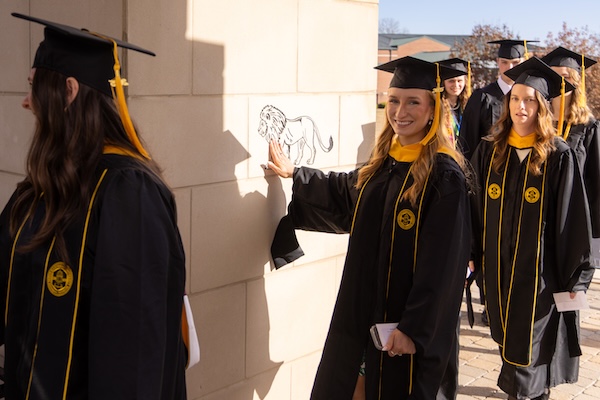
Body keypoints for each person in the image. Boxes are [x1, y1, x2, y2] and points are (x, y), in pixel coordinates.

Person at [0, 13, 188, 399]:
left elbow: (133, 357)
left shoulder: (128, 193)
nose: (26, 101)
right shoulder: (38, 189)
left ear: (68, 91)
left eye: (35, 87)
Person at [268, 56, 472, 399]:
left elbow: (444, 268)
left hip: (403, 324)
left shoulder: (444, 177)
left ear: (433, 109)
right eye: (393, 100)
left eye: (413, 102)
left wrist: (413, 328)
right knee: (353, 386)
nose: (400, 111)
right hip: (363, 310)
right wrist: (296, 175)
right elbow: (346, 194)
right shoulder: (383, 163)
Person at [469, 56, 594, 400]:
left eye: (529, 100)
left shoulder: (558, 155)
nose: (520, 106)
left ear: (542, 106)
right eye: (515, 98)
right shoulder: (490, 151)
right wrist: (469, 253)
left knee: (525, 361)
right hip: (497, 273)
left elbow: (571, 221)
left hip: (540, 277)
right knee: (511, 344)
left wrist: (577, 277)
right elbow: (474, 207)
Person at [460, 39, 532, 326]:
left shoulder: (529, 95)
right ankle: (490, 302)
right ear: (498, 64)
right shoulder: (482, 97)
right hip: (487, 181)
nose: (510, 68)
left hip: (522, 183)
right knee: (487, 240)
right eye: (505, 63)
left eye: (515, 63)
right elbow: (467, 142)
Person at [542, 46, 600, 239]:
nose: (559, 83)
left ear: (576, 82)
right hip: (540, 215)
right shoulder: (536, 124)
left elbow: (596, 181)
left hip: (574, 219)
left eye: (566, 77)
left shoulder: (588, 127)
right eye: (554, 76)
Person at [438, 57, 472, 153]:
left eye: (459, 81)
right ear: (443, 82)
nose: (456, 85)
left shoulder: (468, 105)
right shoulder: (437, 107)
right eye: (451, 81)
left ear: (465, 81)